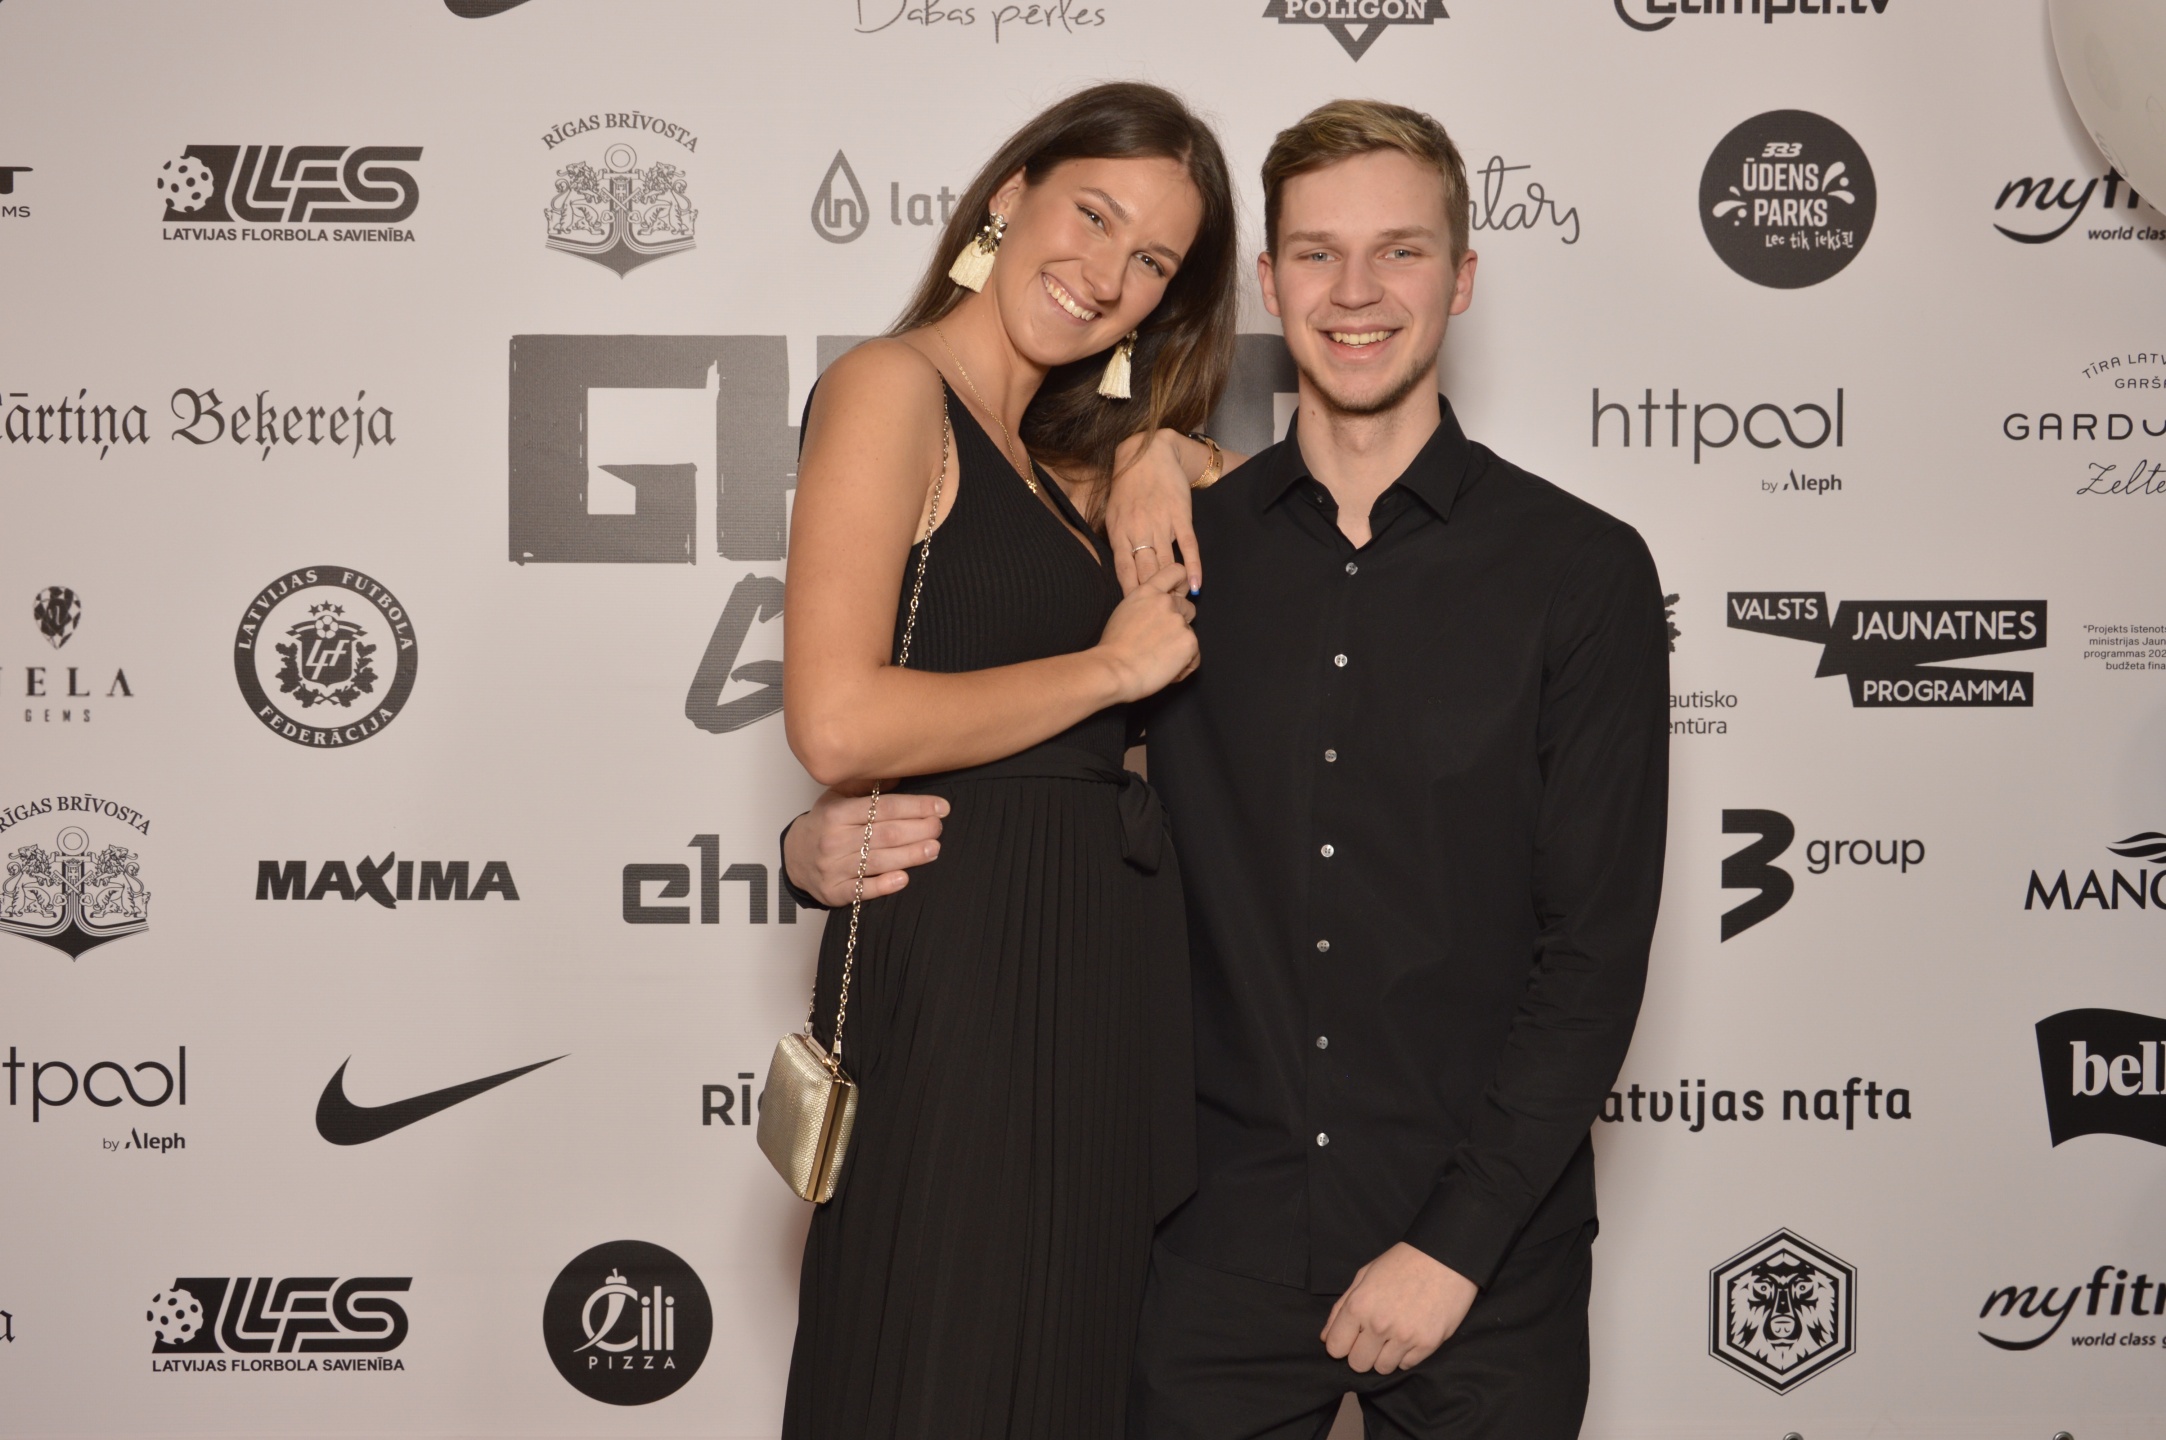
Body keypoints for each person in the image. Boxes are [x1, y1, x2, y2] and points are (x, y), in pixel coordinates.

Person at [785, 99, 1669, 1440]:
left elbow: (1593, 950)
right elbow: (927, 714)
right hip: (1192, 1241)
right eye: (1316, 253)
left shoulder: (1578, 571)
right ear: (1268, 283)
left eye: (1400, 251)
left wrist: (1459, 1242)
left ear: (1461, 277)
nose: (1355, 291)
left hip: (1478, 1266)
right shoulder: (1177, 556)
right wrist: (815, 841)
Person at [775, 82, 1240, 1440]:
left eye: (1149, 260)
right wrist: (1109, 672)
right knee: (942, 1362)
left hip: (1096, 996)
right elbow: (836, 724)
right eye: (1091, 215)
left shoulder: (1055, 470)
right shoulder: (890, 389)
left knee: (1060, 1380)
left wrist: (1156, 448)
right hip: (965, 984)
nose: (1104, 274)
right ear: (1007, 196)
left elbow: (1269, 495)